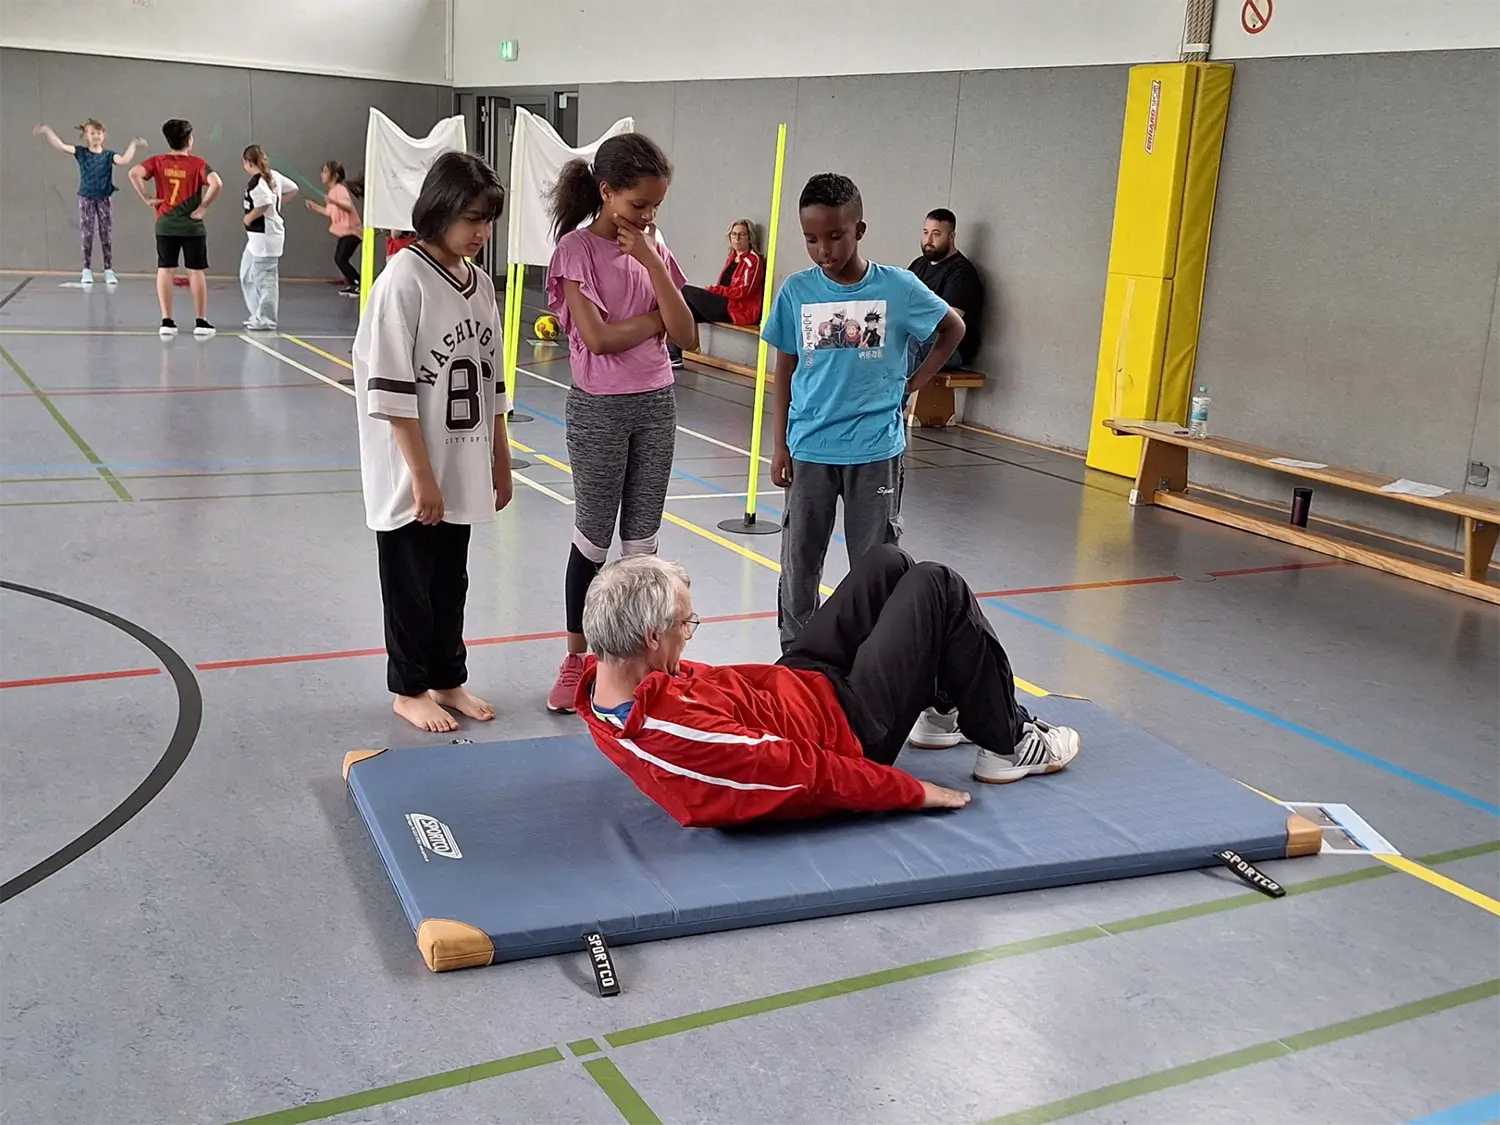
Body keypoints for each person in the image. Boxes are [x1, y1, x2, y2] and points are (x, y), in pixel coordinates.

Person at [577, 545, 1081, 827]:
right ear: (650, 636)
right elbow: (804, 774)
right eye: (685, 626)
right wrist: (910, 792)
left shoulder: (616, 676)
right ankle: (1008, 743)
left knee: (886, 563)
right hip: (852, 728)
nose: (689, 635)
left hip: (801, 687)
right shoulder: (675, 734)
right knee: (936, 584)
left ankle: (941, 707)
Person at [764, 173, 965, 650]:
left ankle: (874, 653)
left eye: (835, 236)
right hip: (810, 448)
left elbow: (952, 328)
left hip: (875, 451)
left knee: (876, 564)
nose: (823, 250)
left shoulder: (898, 286)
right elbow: (784, 370)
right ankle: (797, 652)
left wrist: (915, 382)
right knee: (799, 560)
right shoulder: (796, 291)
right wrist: (779, 446)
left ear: (859, 229)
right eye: (811, 239)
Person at [353, 152, 513, 734]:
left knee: (451, 580)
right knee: (409, 584)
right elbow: (392, 392)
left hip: (461, 459)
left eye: (488, 219)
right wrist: (422, 478)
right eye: (471, 217)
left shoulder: (480, 285)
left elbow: (492, 381)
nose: (481, 231)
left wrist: (500, 459)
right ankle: (410, 687)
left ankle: (448, 677)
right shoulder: (403, 280)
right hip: (414, 468)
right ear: (439, 210)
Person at [541, 133, 698, 714]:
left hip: (656, 403)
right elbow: (599, 339)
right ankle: (576, 658)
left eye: (656, 206)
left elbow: (686, 333)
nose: (648, 215)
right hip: (599, 409)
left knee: (641, 544)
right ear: (606, 192)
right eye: (638, 204)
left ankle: (633, 663)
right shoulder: (576, 251)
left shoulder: (654, 248)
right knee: (593, 537)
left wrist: (651, 260)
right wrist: (654, 320)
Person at [129, 119, 222, 339]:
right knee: (195, 271)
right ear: (190, 140)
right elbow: (217, 183)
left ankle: (167, 321)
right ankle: (201, 321)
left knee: (166, 269)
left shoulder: (158, 161)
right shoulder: (198, 164)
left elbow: (134, 173)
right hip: (192, 226)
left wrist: (147, 197)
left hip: (165, 223)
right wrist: (203, 207)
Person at [33, 120, 148, 287]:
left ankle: (108, 270)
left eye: (99, 133)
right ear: (86, 136)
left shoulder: (108, 155)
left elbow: (124, 160)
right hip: (86, 197)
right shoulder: (81, 153)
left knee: (105, 233)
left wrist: (133, 144)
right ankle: (86, 269)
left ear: (104, 135)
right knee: (87, 233)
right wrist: (47, 131)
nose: (96, 136)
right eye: (92, 133)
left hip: (104, 197)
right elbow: (62, 146)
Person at [668, 218, 765, 369]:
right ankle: (675, 355)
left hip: (738, 310)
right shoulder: (732, 258)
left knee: (682, 290)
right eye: (734, 234)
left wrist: (716, 290)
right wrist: (717, 291)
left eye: (742, 235)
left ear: (750, 238)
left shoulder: (753, 261)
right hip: (726, 304)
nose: (737, 238)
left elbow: (744, 291)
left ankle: (674, 355)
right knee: (682, 307)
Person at [907, 208, 986, 371]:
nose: (928, 240)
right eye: (925, 232)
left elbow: (948, 322)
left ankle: (893, 389)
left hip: (952, 347)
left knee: (908, 344)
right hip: (919, 336)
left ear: (951, 237)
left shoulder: (962, 273)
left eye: (936, 234)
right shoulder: (918, 265)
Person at [239, 145, 298, 332]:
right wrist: (276, 206)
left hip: (265, 238)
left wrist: (249, 218)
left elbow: (264, 202)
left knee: (265, 280)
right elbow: (293, 189)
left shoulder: (259, 182)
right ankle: (257, 314)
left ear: (248, 163)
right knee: (246, 274)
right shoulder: (274, 177)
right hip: (256, 240)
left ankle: (266, 319)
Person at [305, 160, 363, 296]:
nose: (322, 175)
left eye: (325, 172)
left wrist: (333, 201)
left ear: (335, 175)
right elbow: (329, 212)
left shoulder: (339, 190)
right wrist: (315, 207)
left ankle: (358, 284)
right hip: (346, 232)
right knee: (340, 259)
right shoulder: (333, 192)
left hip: (353, 231)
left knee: (340, 259)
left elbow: (348, 207)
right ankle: (353, 284)